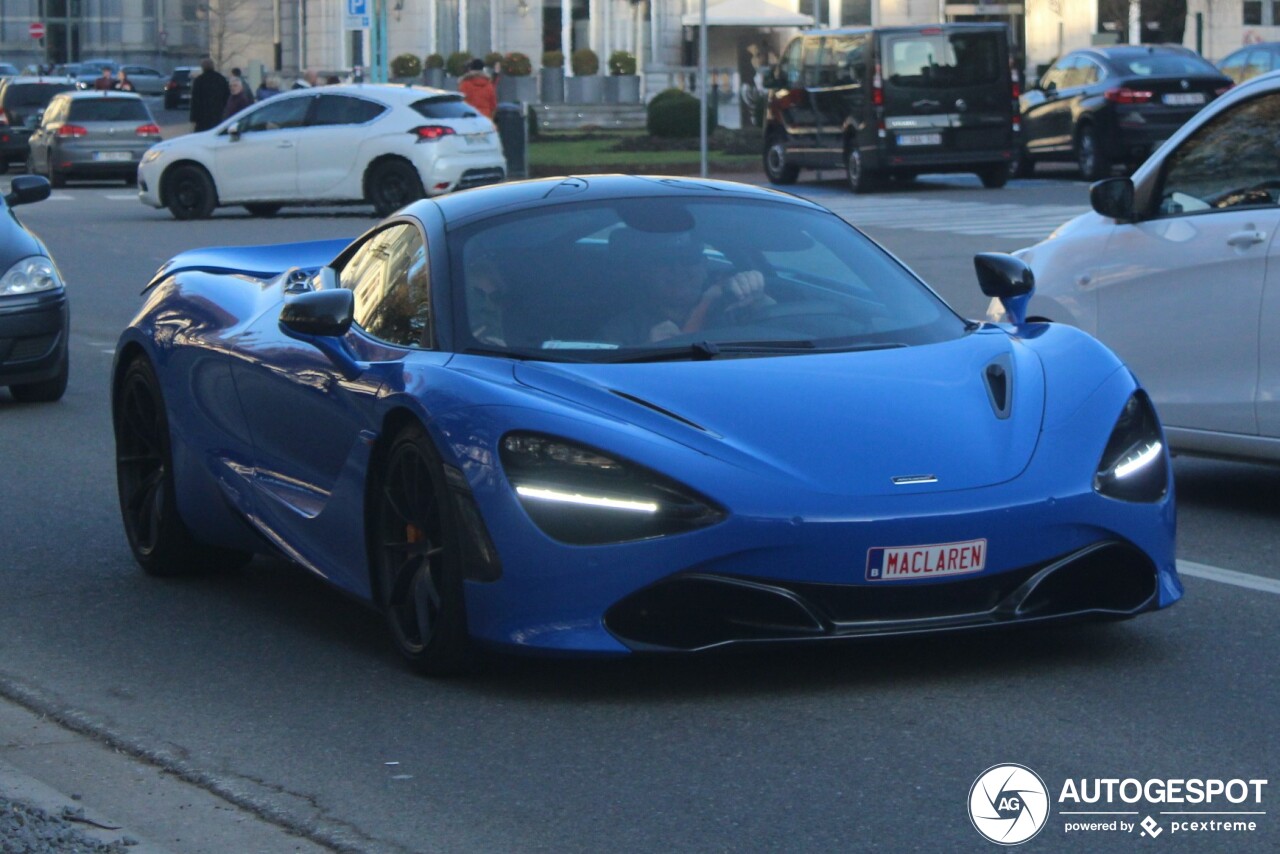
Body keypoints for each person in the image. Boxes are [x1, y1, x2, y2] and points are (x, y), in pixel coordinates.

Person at [599, 229, 769, 344]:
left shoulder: (736, 306)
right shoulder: (622, 329)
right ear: (645, 272)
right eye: (664, 261)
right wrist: (646, 350)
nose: (678, 270)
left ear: (704, 266)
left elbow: (785, 331)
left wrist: (759, 299)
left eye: (689, 258)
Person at [189, 57, 230, 132]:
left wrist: (193, 118)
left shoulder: (199, 81)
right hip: (218, 114)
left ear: (203, 68)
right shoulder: (221, 79)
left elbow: (195, 101)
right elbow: (227, 97)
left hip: (203, 116)